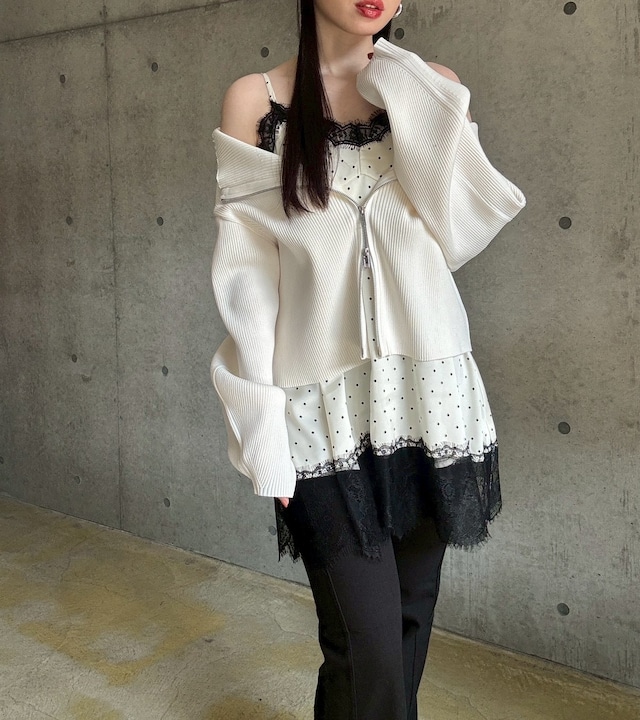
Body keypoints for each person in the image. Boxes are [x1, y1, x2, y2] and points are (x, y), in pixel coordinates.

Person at [209, 1, 526, 718]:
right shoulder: (256, 101)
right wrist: (260, 423)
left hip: (429, 395)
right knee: (371, 645)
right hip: (318, 410)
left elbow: (458, 230)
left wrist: (407, 87)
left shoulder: (430, 85)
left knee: (400, 626)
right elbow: (247, 277)